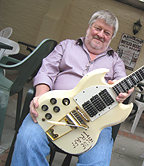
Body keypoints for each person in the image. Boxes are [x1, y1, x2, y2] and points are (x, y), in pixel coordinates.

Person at [11, 10, 134, 166]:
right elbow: (46, 72)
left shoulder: (115, 61)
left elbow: (121, 80)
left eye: (107, 33)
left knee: (97, 162)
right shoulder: (66, 46)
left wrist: (125, 89)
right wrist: (40, 98)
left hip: (96, 118)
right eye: (98, 28)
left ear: (111, 38)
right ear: (89, 27)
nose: (101, 34)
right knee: (28, 141)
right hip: (56, 108)